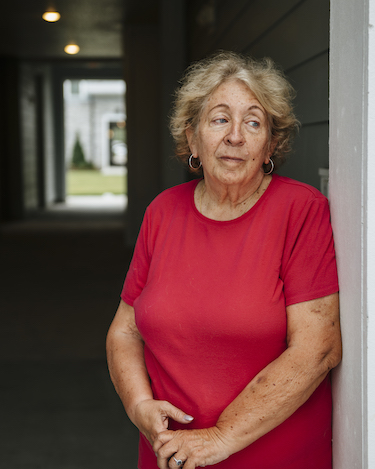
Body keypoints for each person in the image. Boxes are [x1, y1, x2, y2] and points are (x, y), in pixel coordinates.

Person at [106, 51, 341, 469]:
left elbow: (317, 350)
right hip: (171, 455)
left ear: (270, 143)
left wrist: (221, 437)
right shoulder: (162, 211)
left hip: (273, 456)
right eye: (219, 119)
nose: (236, 136)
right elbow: (124, 331)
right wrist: (138, 405)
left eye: (253, 122)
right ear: (193, 138)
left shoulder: (300, 210)